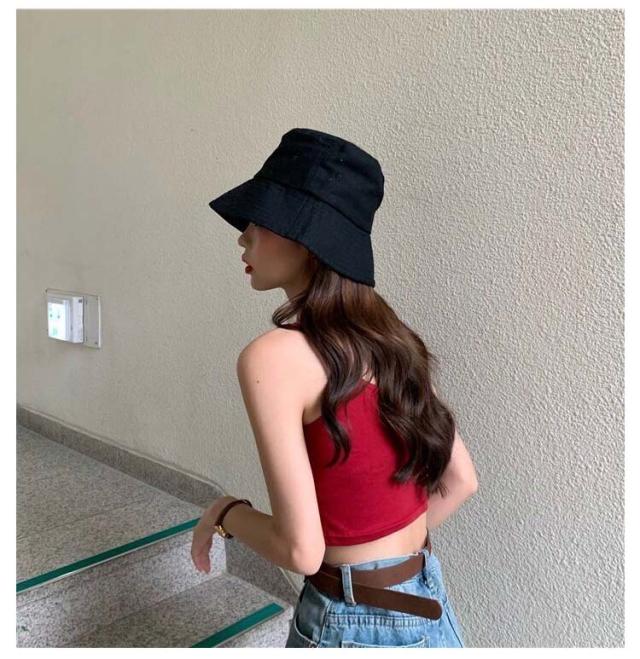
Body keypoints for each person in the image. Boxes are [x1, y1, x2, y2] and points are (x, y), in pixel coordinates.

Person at [195, 128, 479, 648]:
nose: (243, 237)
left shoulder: (272, 358)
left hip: (350, 625)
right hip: (428, 605)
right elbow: (461, 480)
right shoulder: (393, 339)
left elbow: (300, 551)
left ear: (306, 238)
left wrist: (224, 513)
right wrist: (385, 559)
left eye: (260, 222)